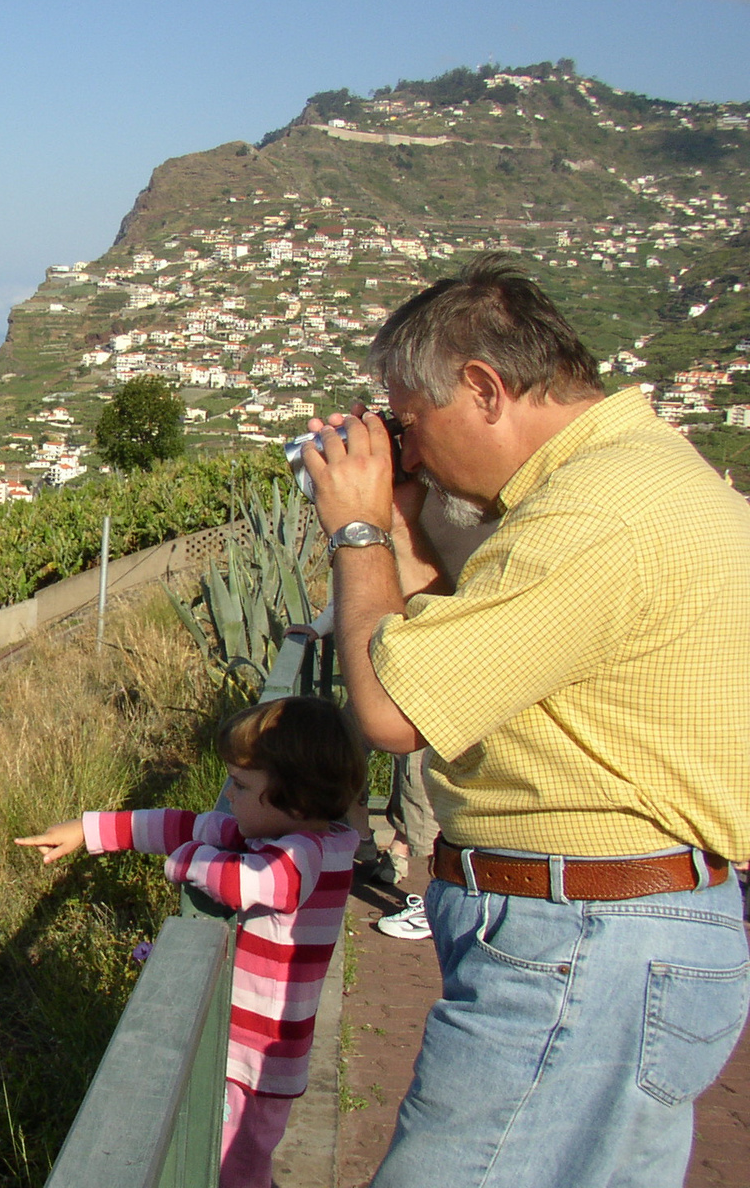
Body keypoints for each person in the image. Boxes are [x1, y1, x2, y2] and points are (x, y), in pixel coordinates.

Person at [299, 254, 750, 1187]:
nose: (408, 451)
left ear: (484, 387)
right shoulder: (631, 480)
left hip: (585, 939)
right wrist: (407, 527)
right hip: (612, 931)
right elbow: (451, 650)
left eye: (411, 426)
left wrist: (355, 533)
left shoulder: (597, 514)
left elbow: (390, 709)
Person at [16, 695, 363, 1188]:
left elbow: (247, 883)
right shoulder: (284, 833)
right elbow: (185, 822)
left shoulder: (304, 853)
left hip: (255, 1061)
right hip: (248, 1047)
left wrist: (185, 862)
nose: (228, 794)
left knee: (232, 1172)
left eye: (240, 785)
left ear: (297, 798)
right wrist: (90, 830)